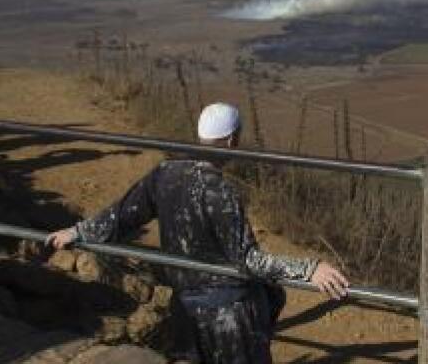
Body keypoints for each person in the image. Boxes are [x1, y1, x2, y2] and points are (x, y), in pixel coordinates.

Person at [46, 102, 350, 364]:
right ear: (232, 141)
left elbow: (121, 215)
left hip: (186, 311)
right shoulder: (220, 190)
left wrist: (78, 231)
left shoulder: (164, 174)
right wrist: (309, 270)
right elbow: (248, 261)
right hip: (230, 318)